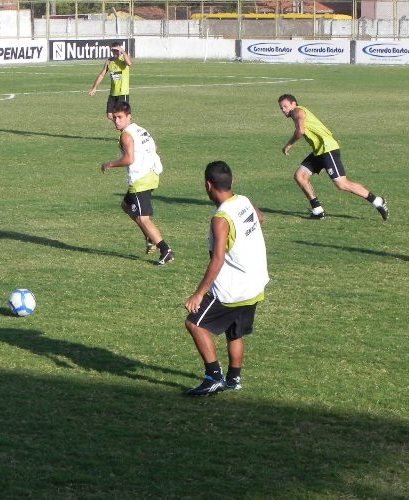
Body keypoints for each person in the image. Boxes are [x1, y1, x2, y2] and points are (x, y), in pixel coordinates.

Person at [184, 161, 269, 396]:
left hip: (234, 290)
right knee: (235, 331)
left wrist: (199, 293)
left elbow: (218, 259)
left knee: (195, 324)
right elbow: (259, 218)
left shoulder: (220, 218)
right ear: (231, 182)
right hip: (255, 284)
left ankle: (214, 377)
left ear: (208, 185)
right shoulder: (243, 201)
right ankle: (234, 379)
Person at [278, 94, 389, 220]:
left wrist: (288, 145)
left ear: (294, 103)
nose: (283, 110)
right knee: (300, 176)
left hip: (328, 149)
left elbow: (300, 131)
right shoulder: (296, 113)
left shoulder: (297, 111)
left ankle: (378, 201)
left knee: (341, 183)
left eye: (285, 106)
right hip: (319, 151)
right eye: (281, 108)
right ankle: (318, 210)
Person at [100, 101, 174, 266]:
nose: (117, 121)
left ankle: (165, 249)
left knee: (143, 218)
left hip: (141, 179)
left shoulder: (126, 135)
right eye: (114, 118)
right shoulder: (141, 129)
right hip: (152, 174)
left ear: (128, 116)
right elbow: (155, 146)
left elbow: (129, 159)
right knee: (126, 206)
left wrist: (109, 164)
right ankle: (149, 236)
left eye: (120, 117)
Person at [88, 42, 132, 121]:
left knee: (123, 115)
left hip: (123, 93)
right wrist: (94, 87)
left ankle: (129, 129)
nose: (115, 52)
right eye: (113, 50)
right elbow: (102, 74)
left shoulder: (123, 58)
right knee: (110, 115)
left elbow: (129, 63)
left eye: (116, 50)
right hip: (113, 93)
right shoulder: (109, 61)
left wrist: (122, 51)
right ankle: (123, 125)